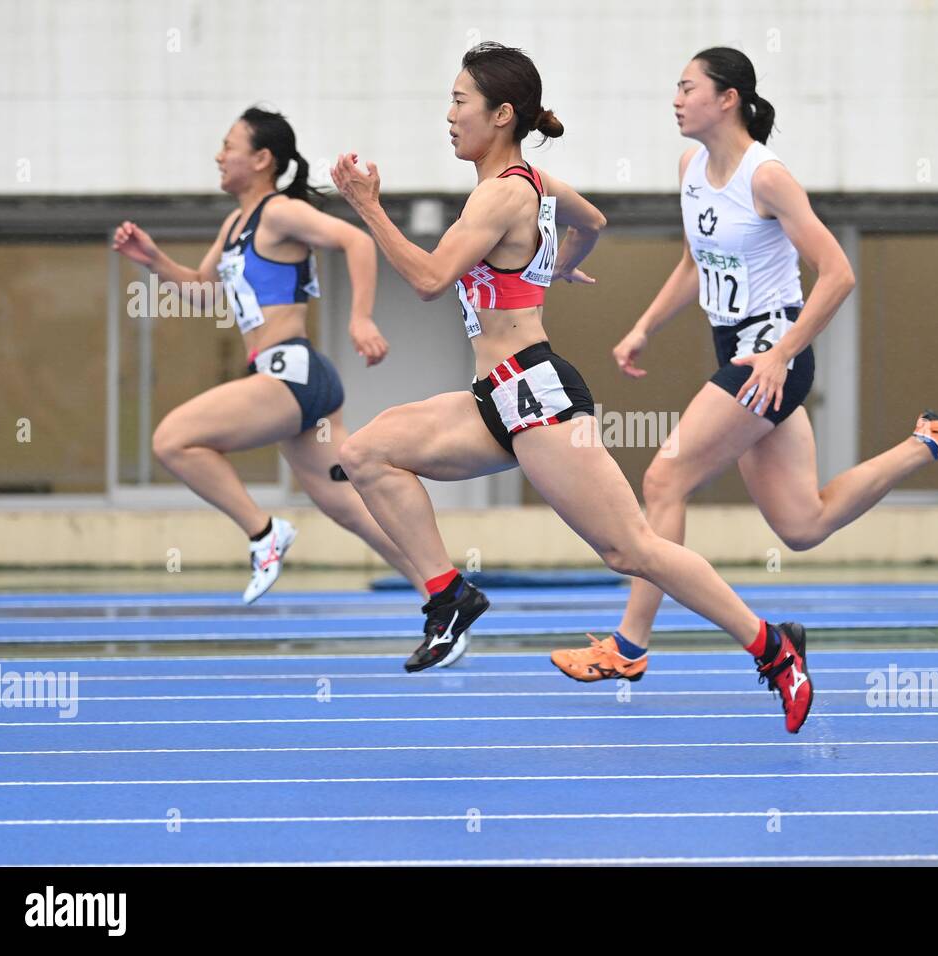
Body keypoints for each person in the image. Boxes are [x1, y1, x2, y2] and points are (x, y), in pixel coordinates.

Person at [331, 42, 817, 732]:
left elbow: (430, 279)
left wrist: (369, 208)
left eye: (459, 102)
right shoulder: (533, 183)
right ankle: (448, 596)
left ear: (501, 115)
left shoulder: (504, 194)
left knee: (631, 550)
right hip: (491, 399)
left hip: (538, 397)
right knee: (366, 454)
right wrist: (548, 268)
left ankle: (771, 645)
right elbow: (592, 222)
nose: (448, 115)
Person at [550, 47, 938, 684]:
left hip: (770, 358)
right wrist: (644, 326)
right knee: (802, 524)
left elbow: (839, 273)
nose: (676, 99)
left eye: (687, 87)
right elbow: (696, 263)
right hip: (735, 350)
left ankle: (629, 648)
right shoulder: (690, 166)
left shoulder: (767, 177)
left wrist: (782, 353)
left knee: (664, 480)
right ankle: (926, 443)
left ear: (727, 98)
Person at [112, 108, 438, 627]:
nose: (219, 156)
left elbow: (353, 240)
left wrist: (359, 318)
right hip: (291, 379)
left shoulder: (280, 212)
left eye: (229, 145)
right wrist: (153, 260)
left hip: (292, 373)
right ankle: (444, 598)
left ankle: (264, 533)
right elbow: (203, 292)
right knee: (351, 507)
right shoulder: (236, 224)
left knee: (173, 440)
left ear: (262, 158)